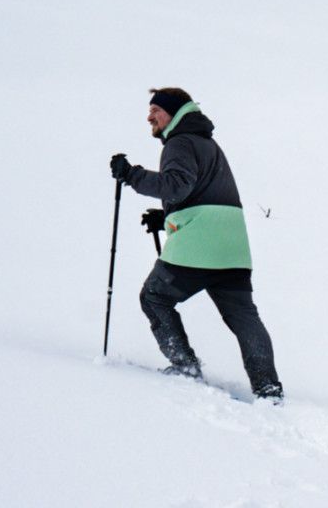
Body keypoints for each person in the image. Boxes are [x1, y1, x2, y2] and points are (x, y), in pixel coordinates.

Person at [110, 87, 283, 403]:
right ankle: (268, 389)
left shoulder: (179, 142)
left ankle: (185, 366)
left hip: (197, 247)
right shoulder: (207, 143)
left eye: (156, 110)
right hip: (232, 247)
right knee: (244, 317)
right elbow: (202, 193)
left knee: (154, 297)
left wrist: (131, 175)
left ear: (174, 113)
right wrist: (166, 218)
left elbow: (177, 185)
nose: (150, 116)